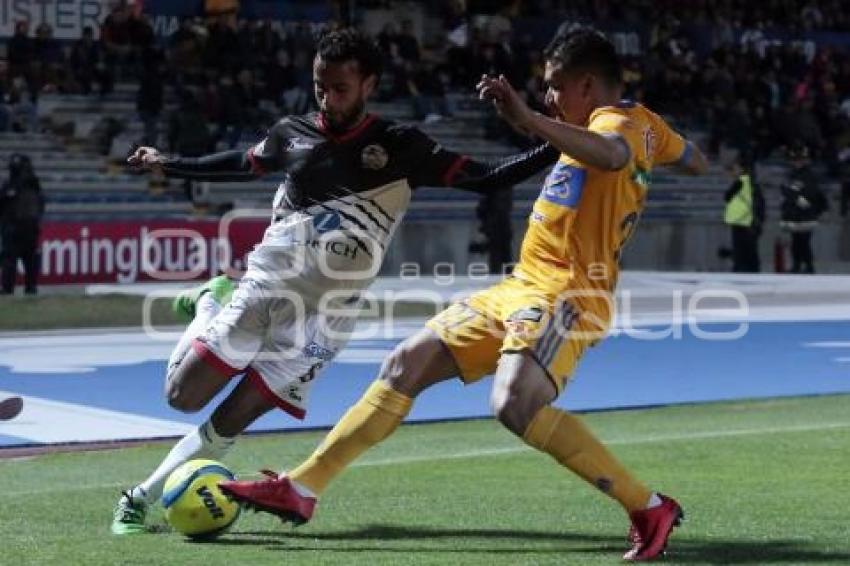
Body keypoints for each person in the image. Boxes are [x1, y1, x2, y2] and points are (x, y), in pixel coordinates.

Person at [220, 28, 708, 562]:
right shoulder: (647, 125)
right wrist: (655, 158)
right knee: (406, 365)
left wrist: (529, 121)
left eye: (554, 87)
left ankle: (648, 506)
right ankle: (303, 487)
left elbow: (613, 155)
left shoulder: (613, 124)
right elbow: (695, 160)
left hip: (568, 294)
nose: (548, 97)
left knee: (513, 403)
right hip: (521, 286)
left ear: (587, 85)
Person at [110, 27, 558, 535]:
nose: (328, 98)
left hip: (325, 321)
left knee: (229, 422)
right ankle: (214, 301)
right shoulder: (293, 133)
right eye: (320, 86)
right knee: (181, 398)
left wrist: (555, 143)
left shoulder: (400, 146)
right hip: (263, 292)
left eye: (340, 88)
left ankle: (139, 498)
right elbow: (242, 162)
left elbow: (488, 177)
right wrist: (171, 162)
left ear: (368, 84)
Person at [780, 143, 828, 273]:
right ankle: (798, 264)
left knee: (803, 242)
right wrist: (792, 194)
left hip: (805, 214)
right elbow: (788, 190)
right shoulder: (794, 174)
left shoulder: (808, 175)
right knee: (796, 241)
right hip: (796, 213)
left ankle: (807, 265)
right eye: (795, 160)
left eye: (799, 160)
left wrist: (795, 197)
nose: (797, 162)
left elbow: (807, 195)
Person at [1, 154, 44, 295]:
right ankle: (31, 288)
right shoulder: (35, 185)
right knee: (30, 261)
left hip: (13, 229)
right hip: (31, 229)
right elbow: (42, 206)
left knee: (10, 260)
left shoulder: (10, 185)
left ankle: (8, 290)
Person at [723, 154, 765, 272]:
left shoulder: (741, 183)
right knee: (746, 250)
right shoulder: (749, 183)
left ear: (742, 169)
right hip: (745, 221)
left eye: (735, 168)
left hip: (745, 222)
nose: (733, 171)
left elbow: (727, 196)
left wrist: (757, 221)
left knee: (744, 251)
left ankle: (744, 270)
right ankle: (748, 270)